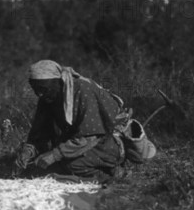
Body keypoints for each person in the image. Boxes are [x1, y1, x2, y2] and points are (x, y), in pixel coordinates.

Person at [14, 60, 155, 181]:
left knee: (71, 164)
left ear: (58, 82)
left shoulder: (83, 90)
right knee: (41, 166)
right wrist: (27, 152)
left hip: (107, 141)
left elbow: (90, 137)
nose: (39, 94)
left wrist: (55, 154)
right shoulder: (47, 97)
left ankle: (111, 174)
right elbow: (38, 132)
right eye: (35, 90)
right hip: (76, 142)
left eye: (43, 89)